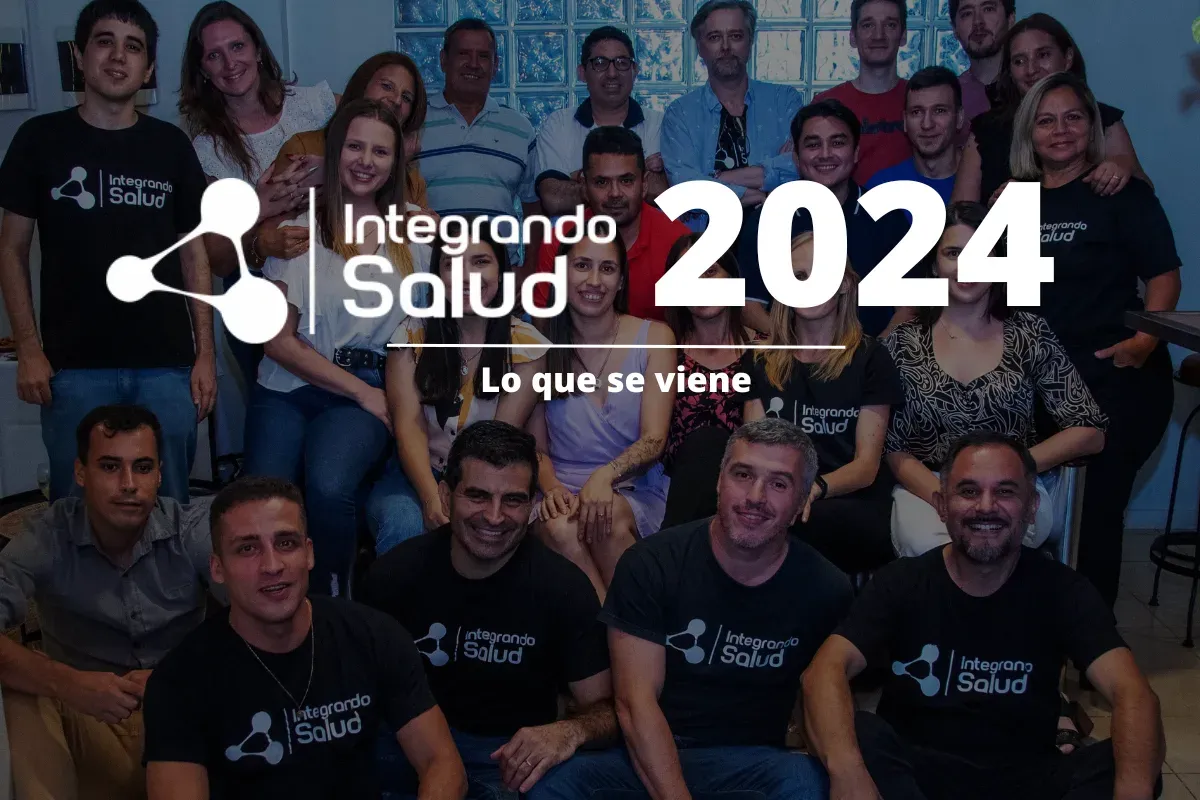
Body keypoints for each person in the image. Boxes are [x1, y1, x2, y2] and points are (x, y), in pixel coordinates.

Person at [802, 433, 1165, 800]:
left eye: (1005, 492)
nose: (986, 507)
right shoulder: (901, 582)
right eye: (969, 491)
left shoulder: (1063, 589)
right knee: (855, 732)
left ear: (1031, 507)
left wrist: (1133, 789)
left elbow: (1133, 692)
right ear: (942, 506)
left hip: (1027, 778)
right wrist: (849, 776)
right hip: (918, 778)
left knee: (1131, 761)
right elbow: (824, 670)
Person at [533, 418, 852, 800]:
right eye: (742, 475)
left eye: (779, 484)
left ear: (802, 501)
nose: (755, 496)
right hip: (647, 753)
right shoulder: (651, 564)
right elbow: (635, 704)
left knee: (807, 782)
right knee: (553, 785)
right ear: (719, 481)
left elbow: (822, 705)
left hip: (751, 763)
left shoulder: (825, 587)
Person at [0, 0, 214, 504]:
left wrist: (204, 353)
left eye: (133, 47)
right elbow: (11, 249)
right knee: (77, 513)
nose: (118, 56)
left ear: (149, 68)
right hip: (73, 368)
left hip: (166, 366)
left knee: (168, 507)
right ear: (79, 55)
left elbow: (194, 255)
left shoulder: (171, 146)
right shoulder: (39, 140)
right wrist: (29, 349)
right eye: (104, 41)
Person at [141, 476, 467, 800]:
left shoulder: (373, 635)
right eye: (247, 549)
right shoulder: (179, 680)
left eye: (286, 543)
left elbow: (442, 763)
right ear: (217, 568)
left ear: (309, 553)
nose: (272, 565)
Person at [364, 421, 619, 798]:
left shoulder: (563, 587)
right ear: (446, 496)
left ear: (531, 504)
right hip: (408, 750)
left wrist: (569, 731)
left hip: (509, 760)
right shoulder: (394, 576)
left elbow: (608, 710)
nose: (495, 516)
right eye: (478, 496)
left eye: (513, 500)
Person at [243, 99, 432, 597]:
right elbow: (276, 340)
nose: (365, 161)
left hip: (372, 385)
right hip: (289, 385)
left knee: (328, 485)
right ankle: (265, 606)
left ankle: (331, 606)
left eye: (380, 151)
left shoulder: (417, 231)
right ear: (335, 151)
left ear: (396, 162)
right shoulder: (299, 228)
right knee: (259, 499)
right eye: (354, 146)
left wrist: (376, 396)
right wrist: (363, 394)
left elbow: (435, 321)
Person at [1010, 71, 1181, 611]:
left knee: (1096, 515)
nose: (1060, 130)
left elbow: (1164, 277)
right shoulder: (1015, 202)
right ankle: (1036, 630)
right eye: (1046, 121)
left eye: (1073, 118)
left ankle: (1091, 638)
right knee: (1035, 512)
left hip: (1117, 378)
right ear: (1029, 132)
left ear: (1091, 126)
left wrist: (1143, 343)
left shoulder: (1120, 192)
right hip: (1041, 385)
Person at [0, 405, 217, 799]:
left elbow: (264, 619)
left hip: (185, 713)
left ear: (160, 474)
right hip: (87, 720)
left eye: (143, 467)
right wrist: (67, 682)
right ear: (80, 472)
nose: (129, 484)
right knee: (21, 688)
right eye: (110, 467)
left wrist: (179, 677)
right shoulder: (48, 535)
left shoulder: (190, 529)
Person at [884, 201, 1107, 558]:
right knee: (937, 552)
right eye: (954, 253)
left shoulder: (1030, 333)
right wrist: (945, 496)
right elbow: (892, 447)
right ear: (934, 265)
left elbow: (1090, 430)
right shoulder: (902, 343)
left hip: (1013, 486)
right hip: (930, 488)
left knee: (995, 547)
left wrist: (1010, 469)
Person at [180, 1, 338, 387]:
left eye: (237, 46)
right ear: (202, 70)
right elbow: (218, 259)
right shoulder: (207, 149)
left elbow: (383, 132)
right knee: (272, 407)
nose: (229, 63)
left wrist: (333, 166)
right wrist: (257, 206)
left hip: (330, 279)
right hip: (254, 293)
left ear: (258, 49)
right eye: (214, 55)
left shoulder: (315, 105)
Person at [365, 230, 549, 554]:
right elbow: (409, 428)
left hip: (491, 475)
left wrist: (463, 497)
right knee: (404, 522)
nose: (466, 276)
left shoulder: (527, 346)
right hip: (418, 471)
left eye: (480, 262)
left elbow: (497, 439)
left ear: (501, 273)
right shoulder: (411, 334)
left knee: (487, 525)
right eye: (451, 264)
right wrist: (430, 496)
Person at [743, 234, 903, 575]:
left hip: (849, 498)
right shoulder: (761, 359)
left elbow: (866, 466)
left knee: (808, 520)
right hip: (779, 493)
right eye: (799, 276)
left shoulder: (871, 358)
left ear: (844, 284)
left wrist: (814, 489)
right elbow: (754, 451)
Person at [532, 234, 676, 599]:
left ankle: (627, 625)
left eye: (607, 269)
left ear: (621, 280)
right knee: (561, 528)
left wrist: (605, 476)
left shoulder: (656, 337)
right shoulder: (539, 341)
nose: (594, 281)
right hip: (560, 491)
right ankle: (612, 628)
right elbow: (535, 448)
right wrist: (552, 488)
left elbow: (655, 439)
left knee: (604, 516)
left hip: (633, 487)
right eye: (582, 266)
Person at [737, 100, 909, 338]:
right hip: (789, 353)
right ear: (796, 157)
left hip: (873, 352)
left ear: (856, 152)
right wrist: (798, 349)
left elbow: (910, 307)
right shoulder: (767, 219)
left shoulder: (888, 218)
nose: (825, 154)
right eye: (813, 145)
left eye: (837, 143)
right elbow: (748, 307)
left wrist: (872, 353)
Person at [952, 12, 1149, 206]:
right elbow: (959, 215)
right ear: (1009, 71)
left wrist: (1121, 168)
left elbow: (1144, 198)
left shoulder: (1103, 118)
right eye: (1019, 61)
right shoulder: (986, 130)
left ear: (1068, 58)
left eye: (1043, 55)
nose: (1031, 69)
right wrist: (993, 214)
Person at [414, 18, 539, 274]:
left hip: (499, 272)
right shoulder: (414, 122)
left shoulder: (520, 128)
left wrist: (528, 268)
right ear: (443, 60)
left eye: (483, 56)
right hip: (429, 270)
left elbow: (533, 208)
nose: (473, 64)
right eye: (463, 54)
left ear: (495, 65)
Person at [661, 0, 802, 220]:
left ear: (750, 41)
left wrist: (717, 179)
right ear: (700, 47)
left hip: (778, 230)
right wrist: (757, 192)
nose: (726, 47)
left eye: (735, 36)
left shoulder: (784, 101)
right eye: (714, 37)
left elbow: (800, 166)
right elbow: (686, 189)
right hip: (705, 237)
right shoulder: (679, 114)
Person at [532, 126, 690, 321]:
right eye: (601, 182)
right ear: (584, 186)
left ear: (644, 184)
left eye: (626, 181)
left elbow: (698, 327)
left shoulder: (679, 241)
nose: (615, 193)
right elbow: (543, 325)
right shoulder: (559, 240)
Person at [660, 233, 758, 529]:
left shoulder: (764, 351)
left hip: (745, 491)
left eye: (710, 271)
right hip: (671, 488)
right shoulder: (662, 350)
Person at [272, 51, 431, 211]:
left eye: (406, 98)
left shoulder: (412, 180)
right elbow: (272, 222)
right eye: (387, 86)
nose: (396, 100)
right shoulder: (303, 148)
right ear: (362, 86)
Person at [534, 26, 667, 216]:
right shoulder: (558, 124)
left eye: (621, 63)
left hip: (645, 235)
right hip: (579, 235)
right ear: (582, 72)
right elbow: (553, 199)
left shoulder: (660, 124)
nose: (612, 73)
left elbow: (663, 193)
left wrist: (582, 178)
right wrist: (636, 175)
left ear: (634, 70)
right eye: (599, 63)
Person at [814, 0, 911, 185]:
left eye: (890, 25)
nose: (878, 35)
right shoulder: (826, 104)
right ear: (853, 36)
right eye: (868, 25)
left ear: (903, 35)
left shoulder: (922, 102)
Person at [865, 66, 964, 206]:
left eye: (939, 111)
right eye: (916, 112)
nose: (927, 124)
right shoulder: (881, 188)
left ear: (959, 118)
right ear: (905, 121)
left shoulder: (984, 182)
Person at [950, 0, 1016, 122]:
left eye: (988, 9)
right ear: (954, 29)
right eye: (967, 13)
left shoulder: (1029, 85)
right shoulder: (950, 97)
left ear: (1011, 19)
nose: (977, 21)